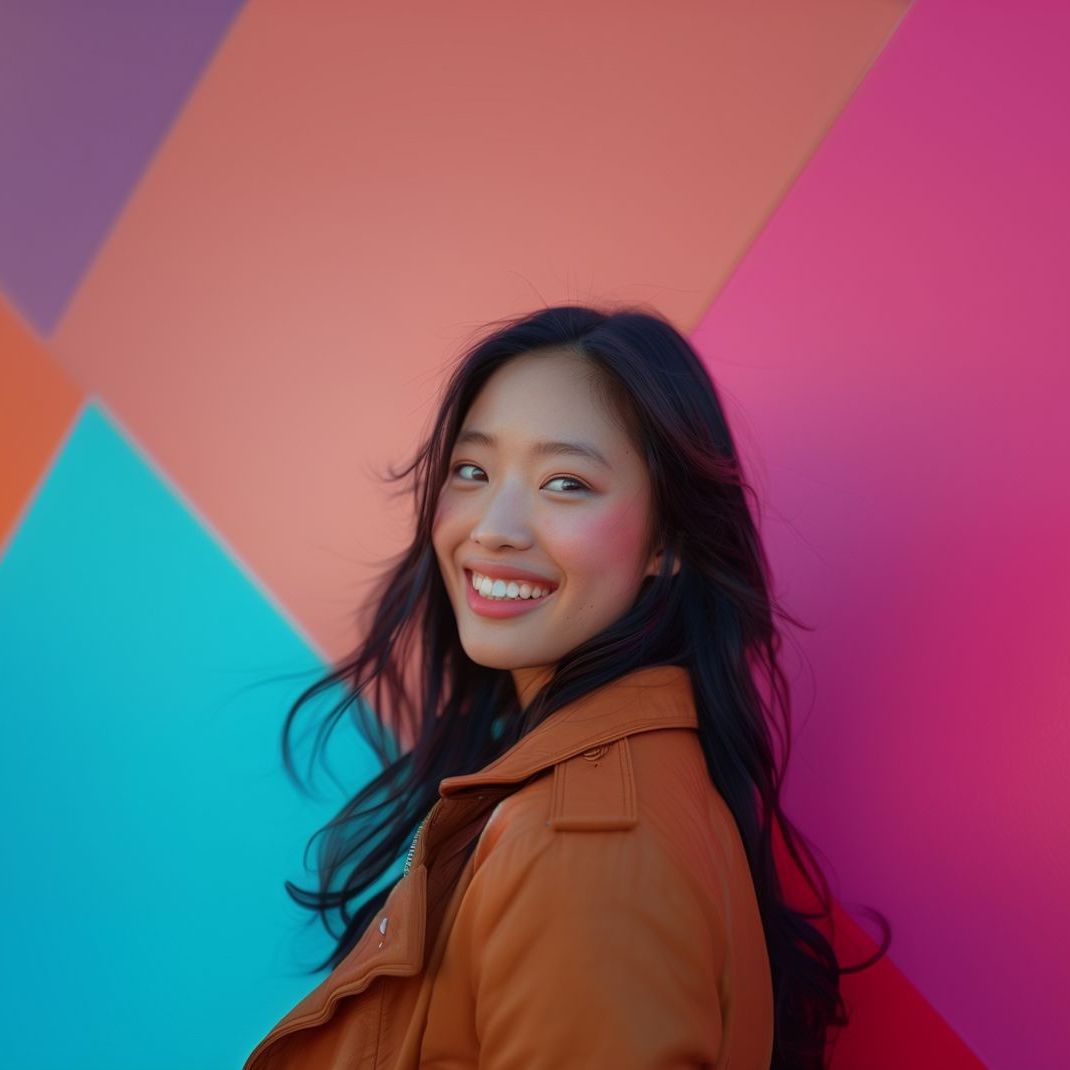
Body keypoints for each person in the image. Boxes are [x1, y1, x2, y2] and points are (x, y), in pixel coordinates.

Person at [242, 304, 891, 1070]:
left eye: (565, 483)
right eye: (473, 471)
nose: (495, 527)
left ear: (669, 543)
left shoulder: (580, 845)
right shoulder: (609, 798)